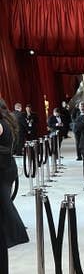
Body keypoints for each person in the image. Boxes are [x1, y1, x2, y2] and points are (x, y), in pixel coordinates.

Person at [0, 99, 29, 249]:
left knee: (4, 202)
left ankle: (15, 234)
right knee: (5, 201)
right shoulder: (8, 121)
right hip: (8, 166)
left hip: (3, 167)